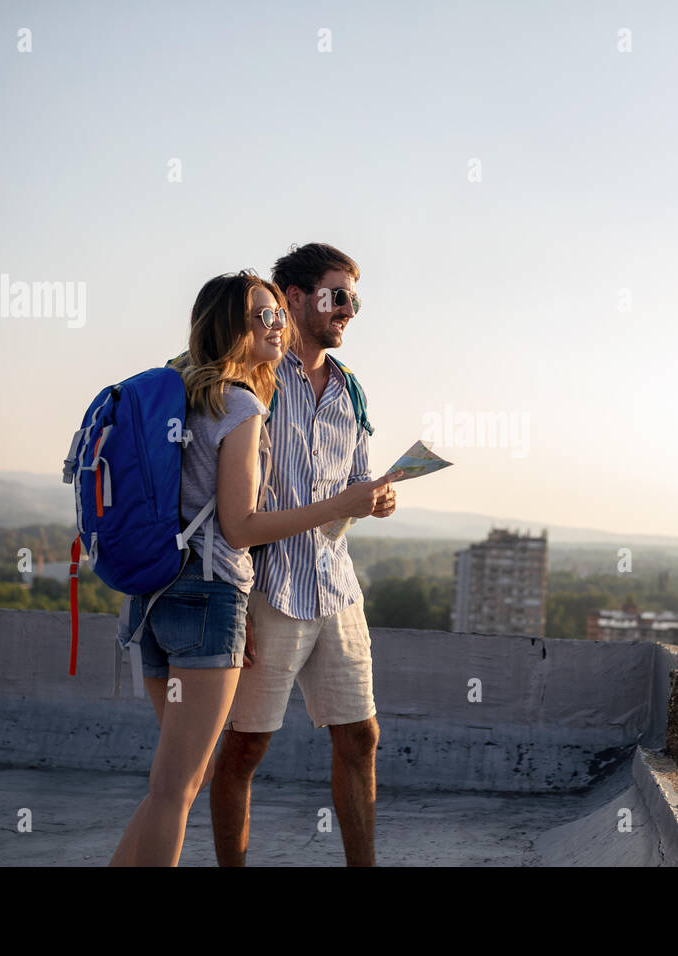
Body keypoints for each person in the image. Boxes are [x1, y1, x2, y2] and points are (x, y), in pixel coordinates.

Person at [109, 268, 397, 867]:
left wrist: (362, 498)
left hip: (158, 592)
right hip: (222, 594)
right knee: (187, 784)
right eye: (265, 316)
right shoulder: (246, 395)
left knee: (170, 786)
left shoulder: (193, 385)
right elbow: (240, 525)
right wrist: (340, 505)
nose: (275, 326)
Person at [211, 243, 397, 867]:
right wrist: (235, 608)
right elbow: (229, 509)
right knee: (245, 749)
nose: (349, 308)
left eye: (354, 298)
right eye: (336, 294)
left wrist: (374, 499)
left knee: (361, 736)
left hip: (335, 586)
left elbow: (349, 489)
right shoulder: (256, 376)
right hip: (268, 590)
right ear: (292, 298)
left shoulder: (351, 392)